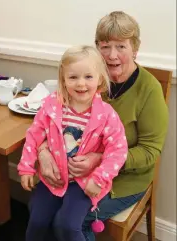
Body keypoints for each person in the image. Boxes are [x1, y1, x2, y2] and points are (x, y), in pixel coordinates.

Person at [37, 11, 169, 241]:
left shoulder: (149, 89)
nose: (112, 55)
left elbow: (150, 152)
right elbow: (54, 120)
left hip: (125, 178)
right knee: (41, 212)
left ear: (135, 49)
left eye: (121, 46)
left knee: (66, 223)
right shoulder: (88, 79)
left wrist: (99, 158)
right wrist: (43, 150)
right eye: (105, 46)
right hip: (76, 171)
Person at [18, 45, 128, 241]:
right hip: (53, 178)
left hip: (84, 183)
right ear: (63, 80)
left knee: (68, 226)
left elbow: (118, 151)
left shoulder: (107, 115)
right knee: (36, 221)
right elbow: (34, 134)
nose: (81, 84)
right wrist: (26, 167)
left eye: (88, 77)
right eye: (73, 77)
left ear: (100, 79)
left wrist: (99, 179)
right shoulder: (51, 105)